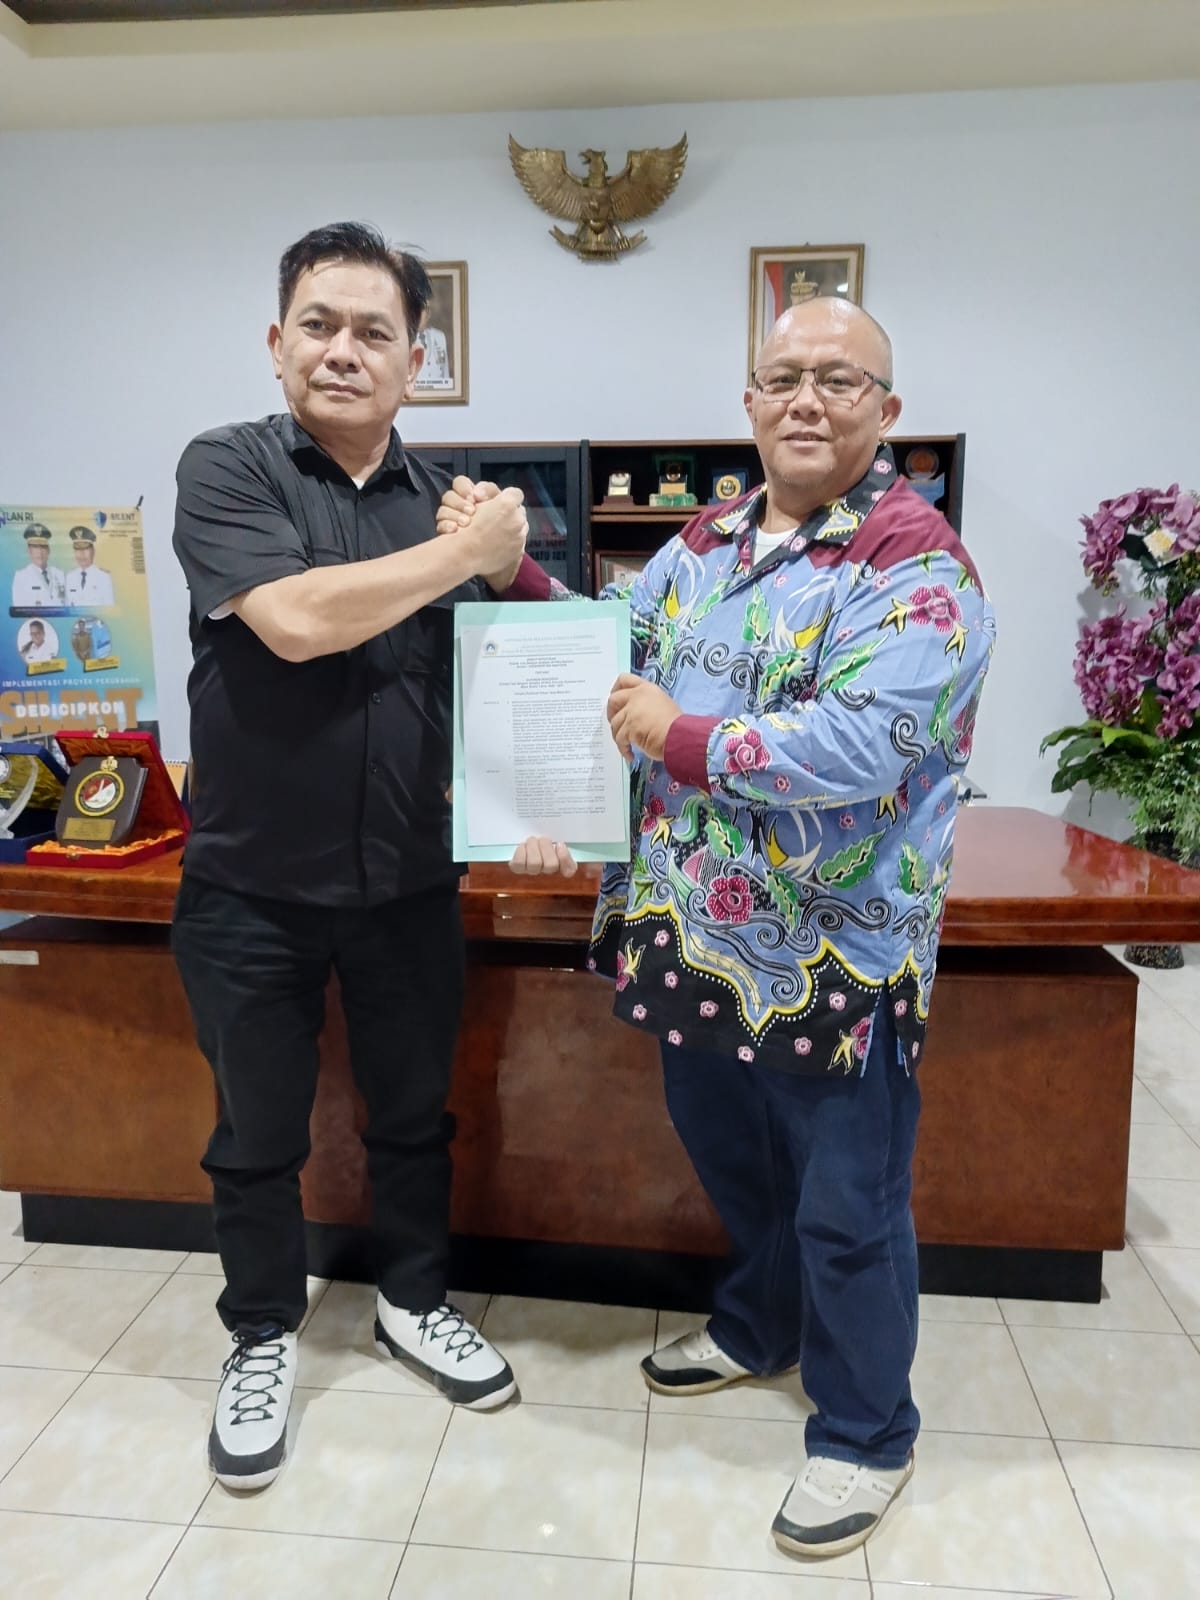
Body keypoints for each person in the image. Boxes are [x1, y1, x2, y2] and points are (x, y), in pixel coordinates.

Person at [438, 296, 996, 1559]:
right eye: (783, 376)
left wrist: (675, 734)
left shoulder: (917, 566)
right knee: (734, 1161)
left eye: (839, 380)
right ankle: (761, 1325)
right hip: (694, 936)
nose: (807, 398)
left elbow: (860, 746)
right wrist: (509, 572)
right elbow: (614, 650)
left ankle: (867, 1430)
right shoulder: (708, 539)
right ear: (748, 401)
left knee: (849, 1205)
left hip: (837, 959)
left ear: (887, 411)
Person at [170, 221, 529, 1493]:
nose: (343, 350)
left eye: (375, 331)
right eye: (319, 324)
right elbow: (296, 620)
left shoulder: (457, 505)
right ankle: (262, 1333)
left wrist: (549, 794)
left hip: (408, 882)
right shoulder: (227, 467)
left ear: (414, 361)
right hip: (248, 887)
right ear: (278, 343)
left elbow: (517, 670)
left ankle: (412, 1302)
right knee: (255, 1131)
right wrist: (466, 555)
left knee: (414, 1117)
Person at [11, 525, 66, 608]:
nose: (40, 552)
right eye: (35, 547)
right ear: (29, 551)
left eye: (43, 547)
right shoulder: (21, 577)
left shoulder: (59, 574)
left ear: (48, 550)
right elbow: (20, 610)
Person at [65, 527, 116, 606]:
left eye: (85, 549)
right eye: (78, 549)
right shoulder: (70, 577)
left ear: (93, 551)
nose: (81, 554)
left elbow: (109, 608)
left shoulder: (104, 577)